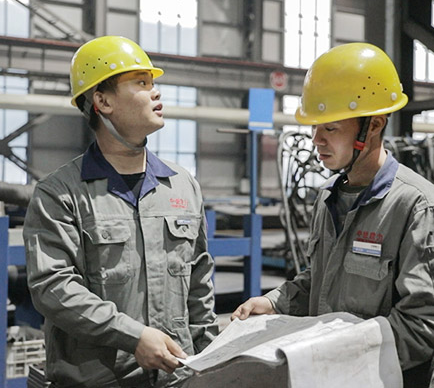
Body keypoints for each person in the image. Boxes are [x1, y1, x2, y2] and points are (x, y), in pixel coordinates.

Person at [232, 42, 434, 386]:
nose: (316, 139)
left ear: (373, 126)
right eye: (315, 127)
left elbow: (423, 324)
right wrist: (274, 303)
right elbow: (318, 281)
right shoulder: (328, 196)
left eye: (330, 128)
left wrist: (342, 358)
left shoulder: (415, 206)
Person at [23, 36, 220, 387]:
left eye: (153, 82)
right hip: (99, 381)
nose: (156, 92)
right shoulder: (61, 193)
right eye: (142, 83)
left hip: (178, 377)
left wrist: (211, 360)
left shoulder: (182, 186)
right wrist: (133, 336)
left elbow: (199, 283)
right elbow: (53, 287)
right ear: (102, 101)